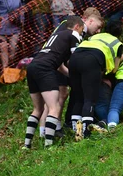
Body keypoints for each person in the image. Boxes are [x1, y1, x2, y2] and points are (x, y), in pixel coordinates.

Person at [38, 8, 104, 137]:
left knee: (62, 94)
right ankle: (46, 130)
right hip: (52, 63)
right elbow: (67, 51)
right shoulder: (75, 28)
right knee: (55, 97)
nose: (99, 31)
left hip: (54, 62)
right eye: (98, 26)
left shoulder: (72, 26)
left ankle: (53, 127)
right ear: (90, 20)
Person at [23, 15, 84, 149]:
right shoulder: (73, 34)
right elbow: (76, 57)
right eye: (81, 31)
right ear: (77, 27)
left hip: (33, 67)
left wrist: (72, 76)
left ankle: (26, 145)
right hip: (45, 69)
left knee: (37, 109)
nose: (81, 35)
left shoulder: (56, 36)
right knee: (54, 108)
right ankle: (48, 146)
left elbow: (60, 66)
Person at [69, 20, 123, 141]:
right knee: (89, 99)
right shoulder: (117, 43)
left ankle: (76, 133)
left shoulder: (95, 36)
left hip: (74, 59)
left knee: (78, 98)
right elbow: (114, 69)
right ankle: (86, 133)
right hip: (91, 60)